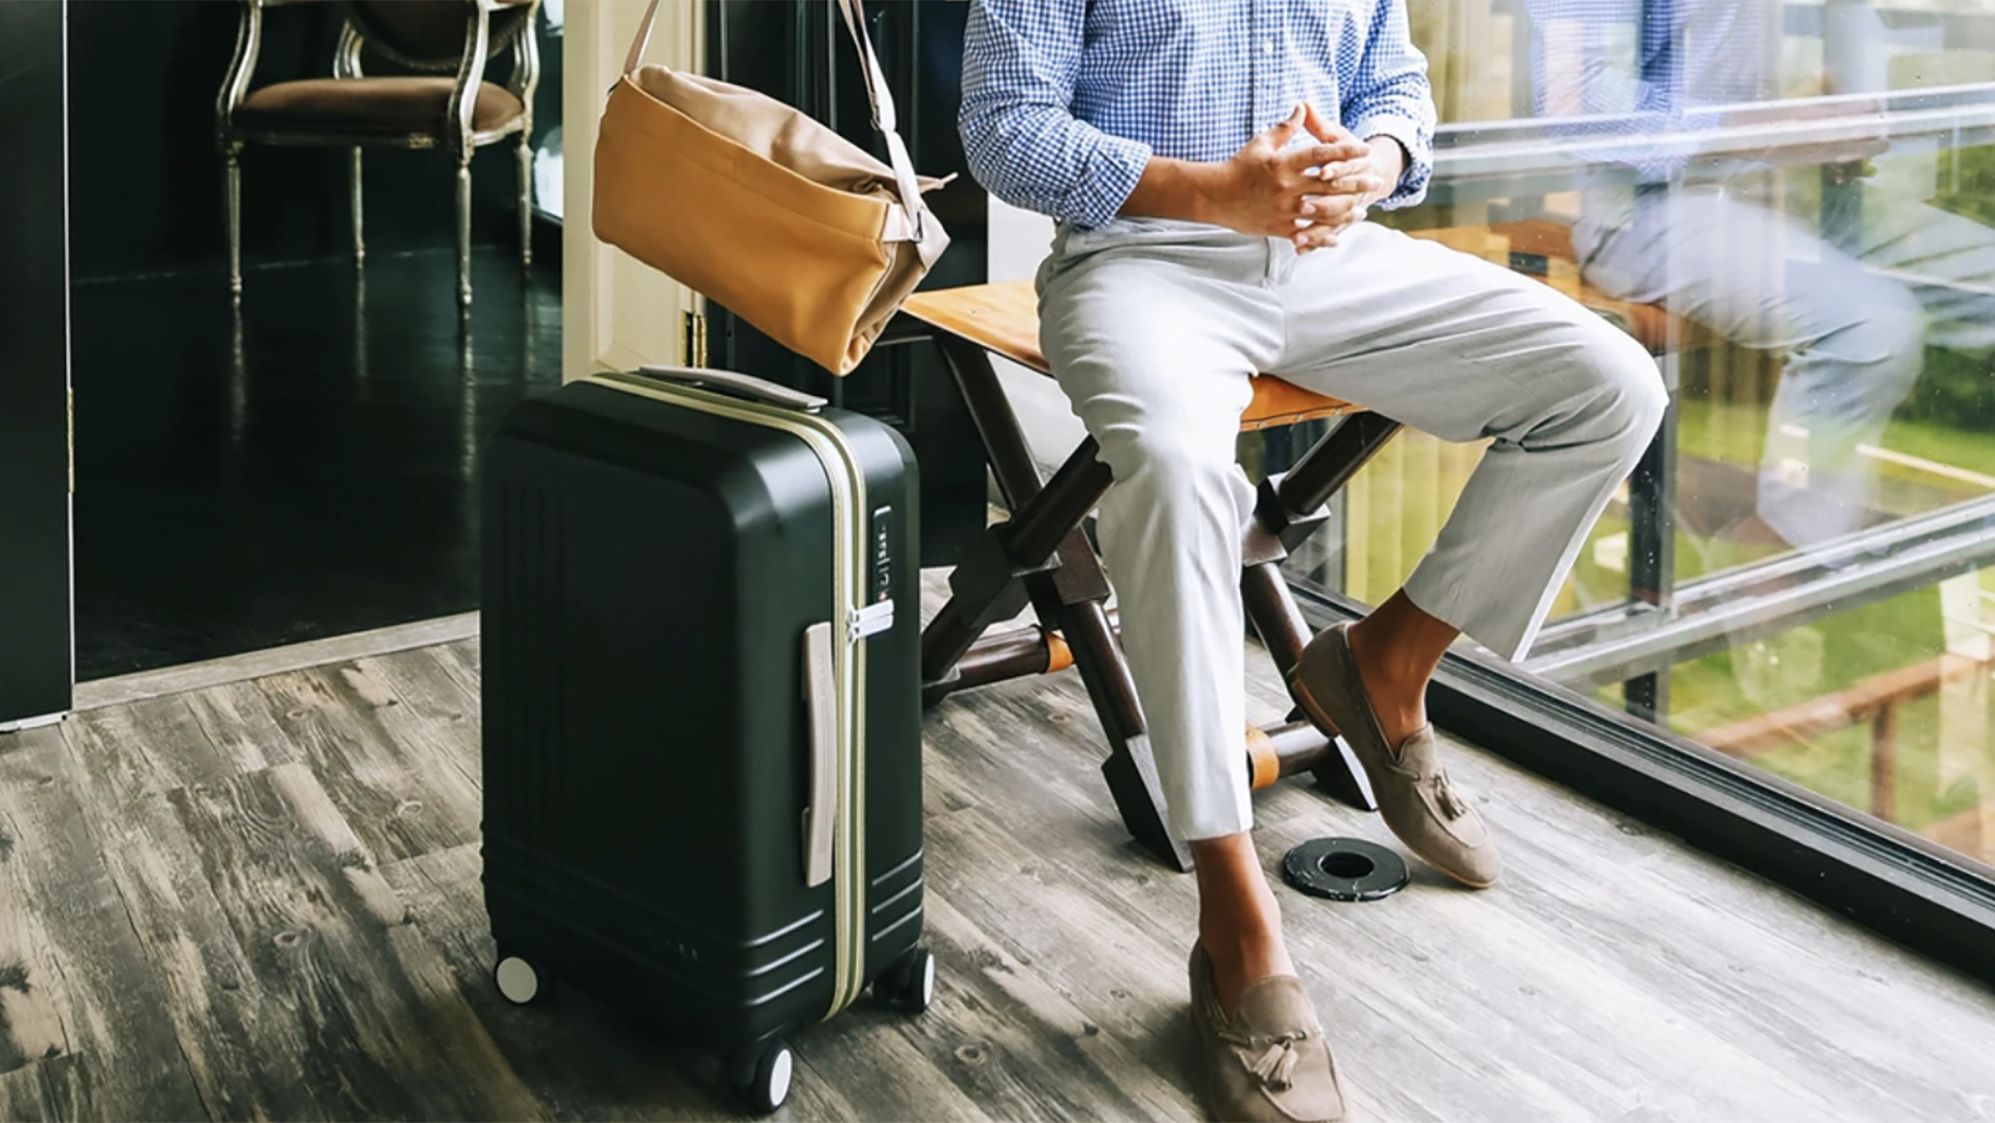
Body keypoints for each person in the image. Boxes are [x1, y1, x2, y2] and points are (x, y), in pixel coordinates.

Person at [959, 2, 1668, 1119]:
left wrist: (1372, 162)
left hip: (1333, 264)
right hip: (1141, 262)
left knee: (1610, 384)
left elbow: (1395, 87)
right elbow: (1004, 131)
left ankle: (1384, 663)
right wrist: (1210, 193)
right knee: (1181, 473)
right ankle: (1234, 910)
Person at [1530, 0, 1995, 551]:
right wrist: (1756, 129)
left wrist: (1821, 121)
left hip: (1791, 185)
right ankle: (1773, 570)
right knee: (1870, 328)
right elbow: (1574, 97)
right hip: (1649, 207)